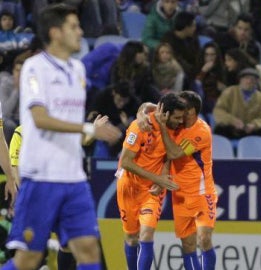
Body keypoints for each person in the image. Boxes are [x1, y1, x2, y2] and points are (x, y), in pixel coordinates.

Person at [2, 4, 121, 270]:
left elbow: (66, 126)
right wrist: (89, 129)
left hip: (74, 178)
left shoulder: (78, 71)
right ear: (55, 33)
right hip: (42, 178)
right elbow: (40, 118)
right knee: (28, 260)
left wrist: (86, 135)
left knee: (89, 251)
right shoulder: (35, 68)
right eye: (74, 27)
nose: (81, 32)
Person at [116, 93, 183, 269]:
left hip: (151, 191)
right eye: (177, 118)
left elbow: (169, 156)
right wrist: (158, 179)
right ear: (165, 114)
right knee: (131, 237)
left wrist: (160, 180)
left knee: (146, 234)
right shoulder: (140, 126)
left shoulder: (176, 130)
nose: (180, 121)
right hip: (128, 187)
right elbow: (126, 162)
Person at [154, 91, 217, 269]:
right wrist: (142, 112)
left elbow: (174, 153)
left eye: (183, 108)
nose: (179, 112)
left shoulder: (201, 132)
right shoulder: (176, 125)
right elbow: (149, 108)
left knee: (204, 238)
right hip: (180, 195)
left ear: (191, 111)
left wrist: (163, 128)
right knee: (188, 246)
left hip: (202, 194)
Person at [213, 67, 261, 139]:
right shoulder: (229, 92)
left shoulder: (260, 97)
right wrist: (232, 121)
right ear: (240, 80)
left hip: (250, 130)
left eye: (252, 79)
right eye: (246, 78)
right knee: (220, 130)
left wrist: (254, 124)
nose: (249, 81)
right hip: (231, 128)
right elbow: (218, 111)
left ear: (256, 82)